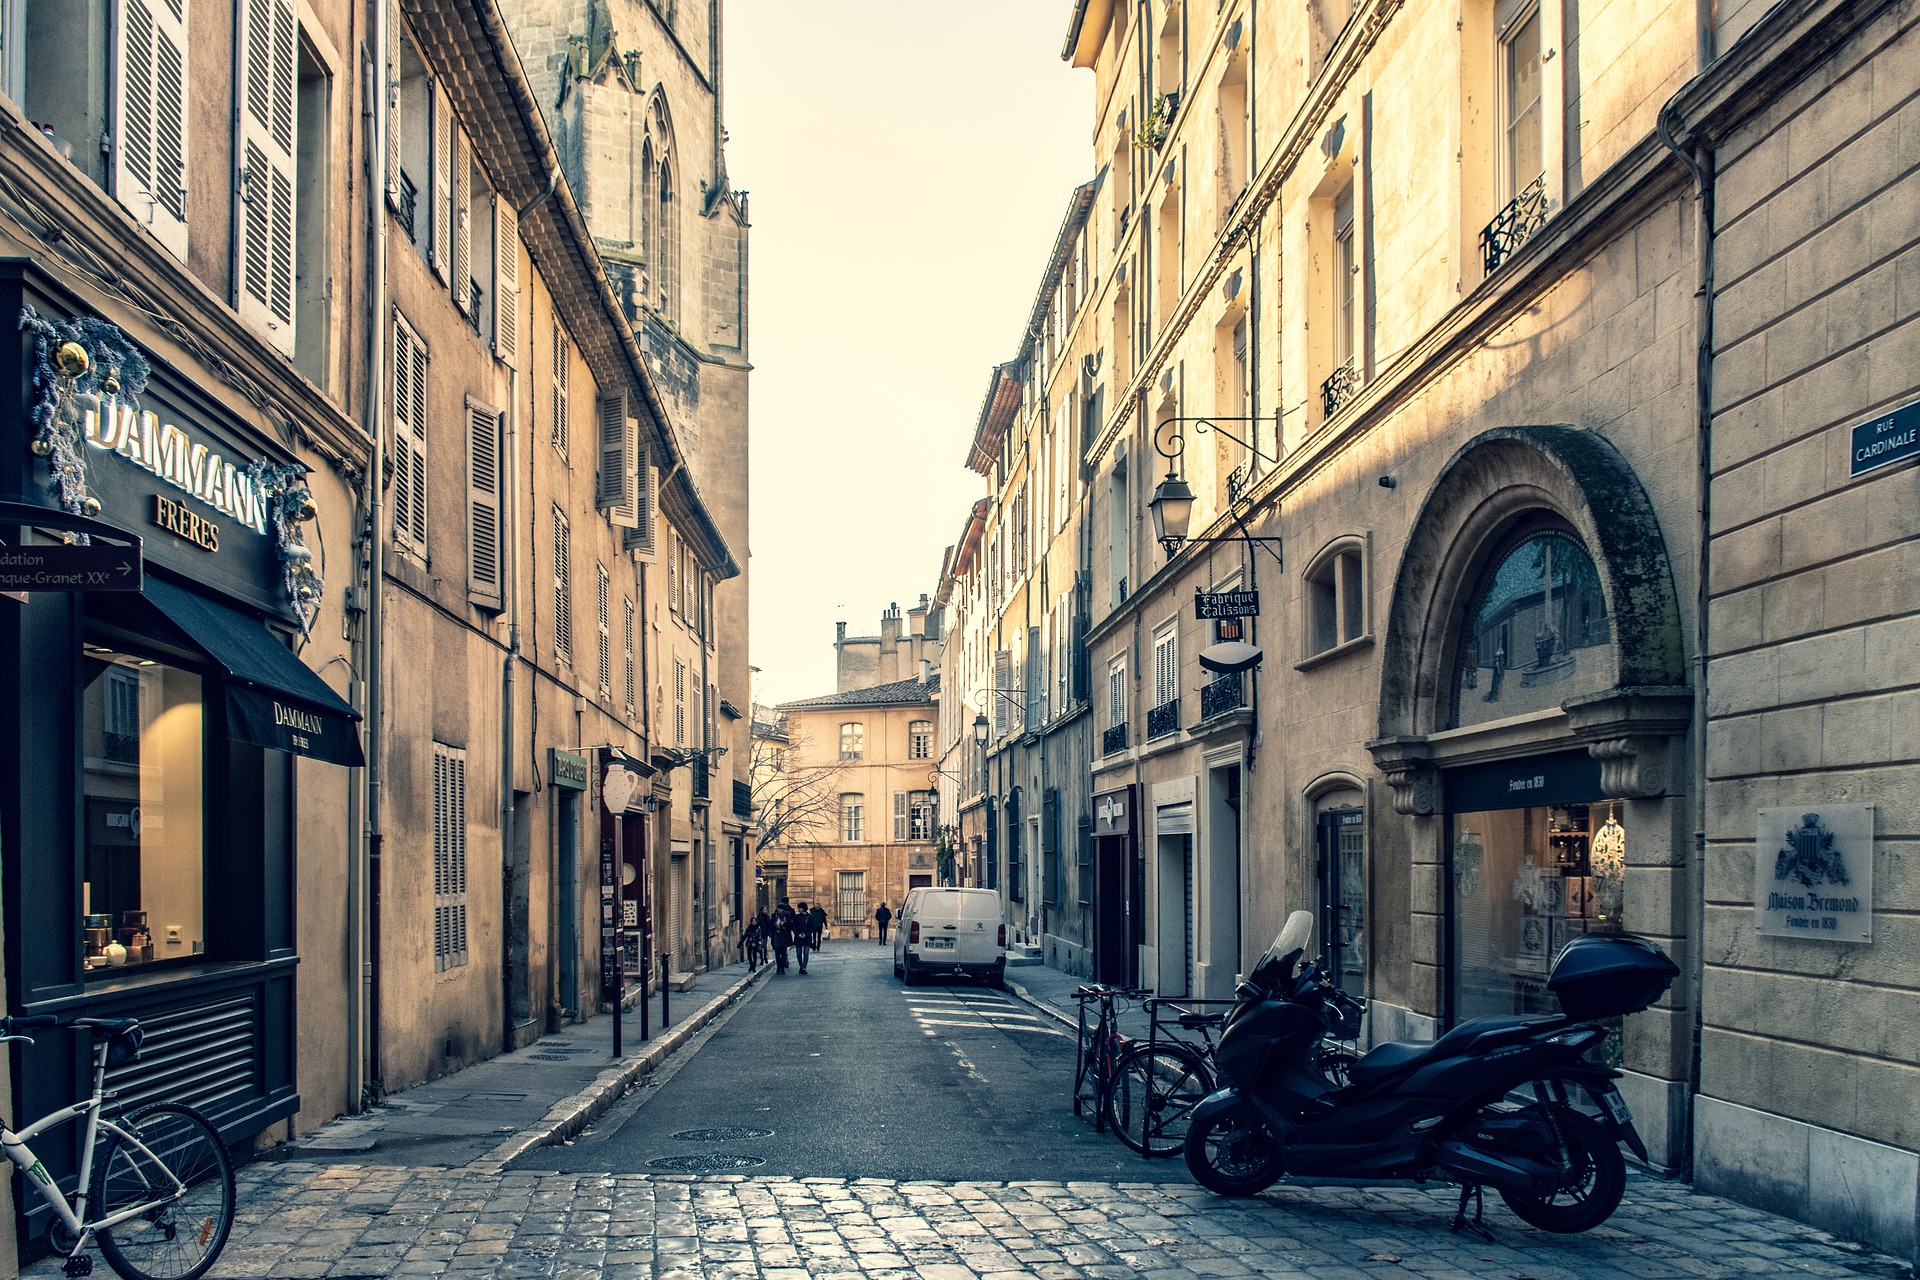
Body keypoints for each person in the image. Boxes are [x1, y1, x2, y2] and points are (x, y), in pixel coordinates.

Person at [770, 904, 793, 975]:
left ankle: (782, 968)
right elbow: (770, 925)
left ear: (783, 909)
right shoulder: (774, 916)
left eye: (780, 908)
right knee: (777, 953)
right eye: (778, 908)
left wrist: (784, 924)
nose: (779, 910)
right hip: (776, 936)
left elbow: (790, 925)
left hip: (784, 936)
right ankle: (778, 967)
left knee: (783, 953)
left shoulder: (786, 916)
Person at [792, 901, 812, 974]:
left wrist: (806, 934)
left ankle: (804, 967)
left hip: (807, 937)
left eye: (800, 908)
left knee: (806, 952)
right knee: (798, 953)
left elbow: (812, 927)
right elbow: (793, 927)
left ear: (804, 908)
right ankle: (801, 966)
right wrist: (797, 934)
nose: (799, 909)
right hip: (798, 937)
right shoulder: (796, 917)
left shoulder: (810, 917)